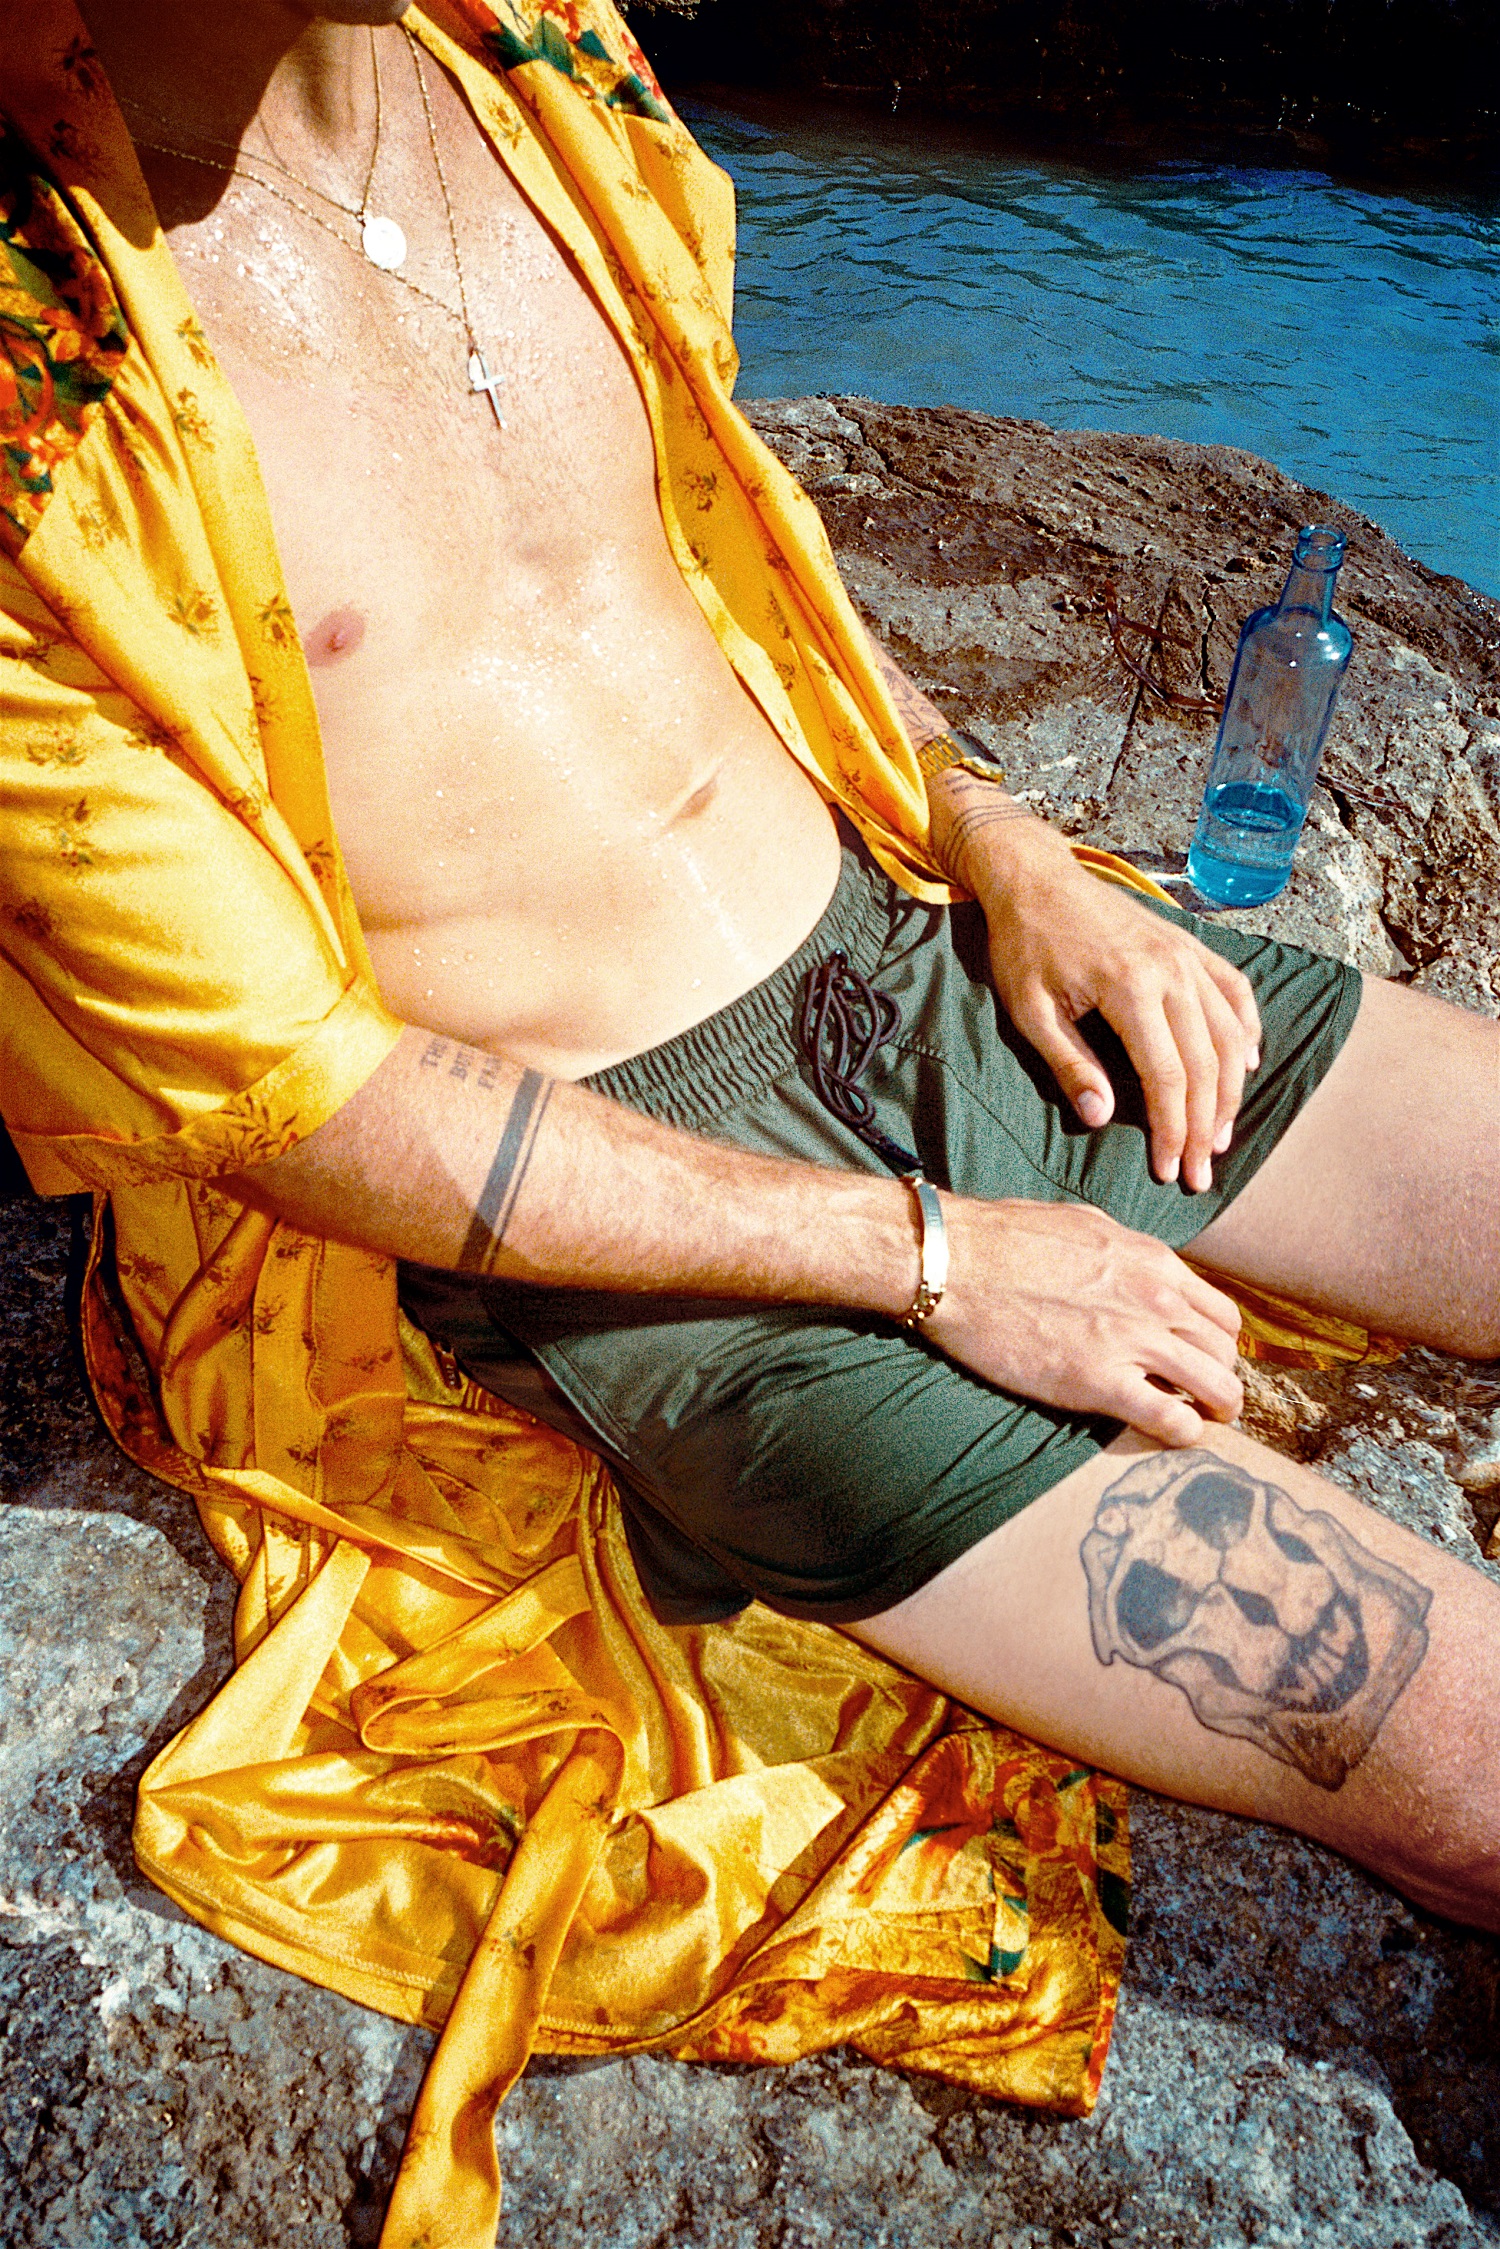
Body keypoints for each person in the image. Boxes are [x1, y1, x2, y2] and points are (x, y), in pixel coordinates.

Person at [5, 0, 1498, 1997]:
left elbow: (708, 551)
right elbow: (306, 1104)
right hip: (643, 1235)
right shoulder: (29, 368)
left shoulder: (530, 52)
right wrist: (937, 1258)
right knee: (1470, 1763)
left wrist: (1007, 849)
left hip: (916, 948)